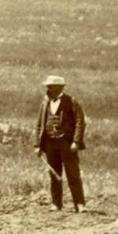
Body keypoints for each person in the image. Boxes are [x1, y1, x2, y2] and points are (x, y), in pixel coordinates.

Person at [34, 75, 86, 212]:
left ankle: (79, 204)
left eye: (51, 87)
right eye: (47, 86)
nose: (48, 89)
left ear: (60, 88)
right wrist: (37, 145)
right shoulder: (45, 103)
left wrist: (76, 141)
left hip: (67, 144)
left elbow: (80, 122)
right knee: (54, 174)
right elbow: (39, 124)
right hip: (50, 143)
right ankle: (56, 204)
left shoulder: (72, 102)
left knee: (72, 175)